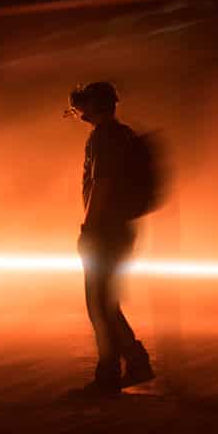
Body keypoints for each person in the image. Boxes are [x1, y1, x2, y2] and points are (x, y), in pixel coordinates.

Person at [66, 81, 155, 395]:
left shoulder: (103, 138)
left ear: (94, 106)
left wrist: (88, 228)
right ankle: (131, 363)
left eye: (83, 104)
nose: (78, 110)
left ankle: (112, 372)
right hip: (120, 229)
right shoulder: (123, 134)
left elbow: (101, 185)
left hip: (105, 230)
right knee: (106, 302)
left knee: (98, 304)